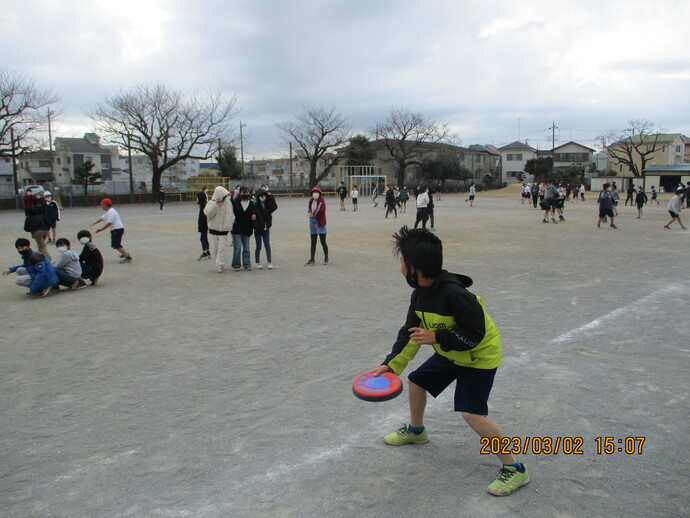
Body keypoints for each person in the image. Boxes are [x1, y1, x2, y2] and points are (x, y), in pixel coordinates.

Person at [372, 226, 529, 497]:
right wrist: (391, 364)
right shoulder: (420, 294)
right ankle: (417, 430)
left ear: (413, 268)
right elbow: (411, 333)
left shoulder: (456, 294)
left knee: (472, 414)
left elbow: (475, 335)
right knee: (416, 382)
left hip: (479, 356)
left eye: (401, 262)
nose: (400, 267)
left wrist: (437, 336)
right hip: (451, 351)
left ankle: (515, 468)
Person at [204, 186, 234, 273]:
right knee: (215, 248)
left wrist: (230, 225)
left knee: (222, 248)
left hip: (224, 230)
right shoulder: (210, 203)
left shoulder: (228, 203)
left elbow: (231, 215)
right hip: (213, 229)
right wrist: (215, 204)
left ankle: (219, 264)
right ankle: (217, 262)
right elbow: (208, 214)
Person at [252, 187, 278, 269]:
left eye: (264, 195)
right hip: (258, 229)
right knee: (258, 246)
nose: (263, 196)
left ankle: (269, 261)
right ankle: (257, 262)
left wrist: (270, 196)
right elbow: (253, 218)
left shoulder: (268, 205)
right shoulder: (255, 205)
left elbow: (274, 206)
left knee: (267, 245)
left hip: (266, 228)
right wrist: (256, 226)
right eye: (261, 195)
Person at [231, 186, 254, 271]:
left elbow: (254, 212)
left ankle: (247, 264)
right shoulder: (234, 202)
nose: (245, 194)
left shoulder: (251, 203)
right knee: (237, 248)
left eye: (246, 192)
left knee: (246, 248)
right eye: (243, 192)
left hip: (247, 228)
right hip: (236, 228)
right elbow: (230, 213)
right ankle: (236, 264)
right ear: (239, 193)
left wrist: (253, 216)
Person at [305, 185, 328, 265]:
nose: (315, 194)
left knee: (323, 241)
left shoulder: (321, 200)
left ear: (319, 193)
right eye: (314, 192)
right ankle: (312, 259)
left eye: (317, 192)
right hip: (312, 221)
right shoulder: (311, 200)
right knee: (313, 241)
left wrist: (313, 214)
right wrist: (309, 213)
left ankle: (326, 258)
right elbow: (309, 208)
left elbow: (320, 210)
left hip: (320, 221)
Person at [24, 194, 51, 260]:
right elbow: (48, 223)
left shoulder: (29, 218)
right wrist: (47, 229)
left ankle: (49, 259)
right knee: (40, 245)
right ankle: (40, 258)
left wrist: (31, 230)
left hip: (37, 232)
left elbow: (26, 228)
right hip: (45, 231)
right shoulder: (40, 216)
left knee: (42, 246)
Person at [196, 186, 211, 260]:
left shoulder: (203, 206)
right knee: (205, 237)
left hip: (203, 224)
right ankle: (208, 252)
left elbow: (203, 216)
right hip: (205, 224)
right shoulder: (205, 204)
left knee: (202, 238)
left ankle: (205, 252)